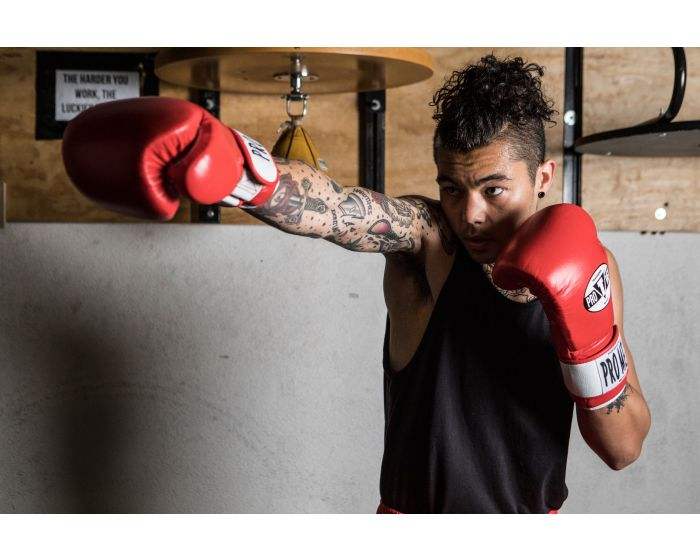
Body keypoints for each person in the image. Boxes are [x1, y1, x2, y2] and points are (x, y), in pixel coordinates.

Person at [62, 54, 652, 514]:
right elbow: (339, 210)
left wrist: (587, 348)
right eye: (452, 188)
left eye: (493, 190)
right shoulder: (432, 241)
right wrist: (239, 173)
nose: (470, 214)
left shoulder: (592, 267)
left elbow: (623, 447)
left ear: (543, 177)